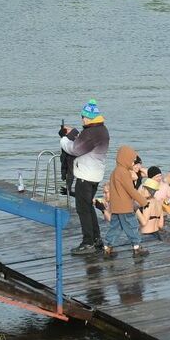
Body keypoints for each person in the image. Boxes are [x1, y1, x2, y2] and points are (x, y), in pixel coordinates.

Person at [59, 100, 109, 256]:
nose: (82, 120)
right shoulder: (102, 130)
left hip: (85, 177)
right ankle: (97, 239)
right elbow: (85, 142)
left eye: (83, 117)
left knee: (83, 210)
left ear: (88, 117)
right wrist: (73, 132)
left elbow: (75, 149)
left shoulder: (90, 133)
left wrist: (64, 139)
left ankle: (88, 242)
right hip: (95, 176)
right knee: (88, 207)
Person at [102, 144, 148, 258]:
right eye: (132, 160)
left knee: (115, 227)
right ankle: (136, 247)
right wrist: (143, 202)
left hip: (116, 206)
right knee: (131, 226)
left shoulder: (115, 171)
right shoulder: (124, 172)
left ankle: (108, 247)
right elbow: (131, 190)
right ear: (125, 159)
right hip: (125, 206)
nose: (133, 163)